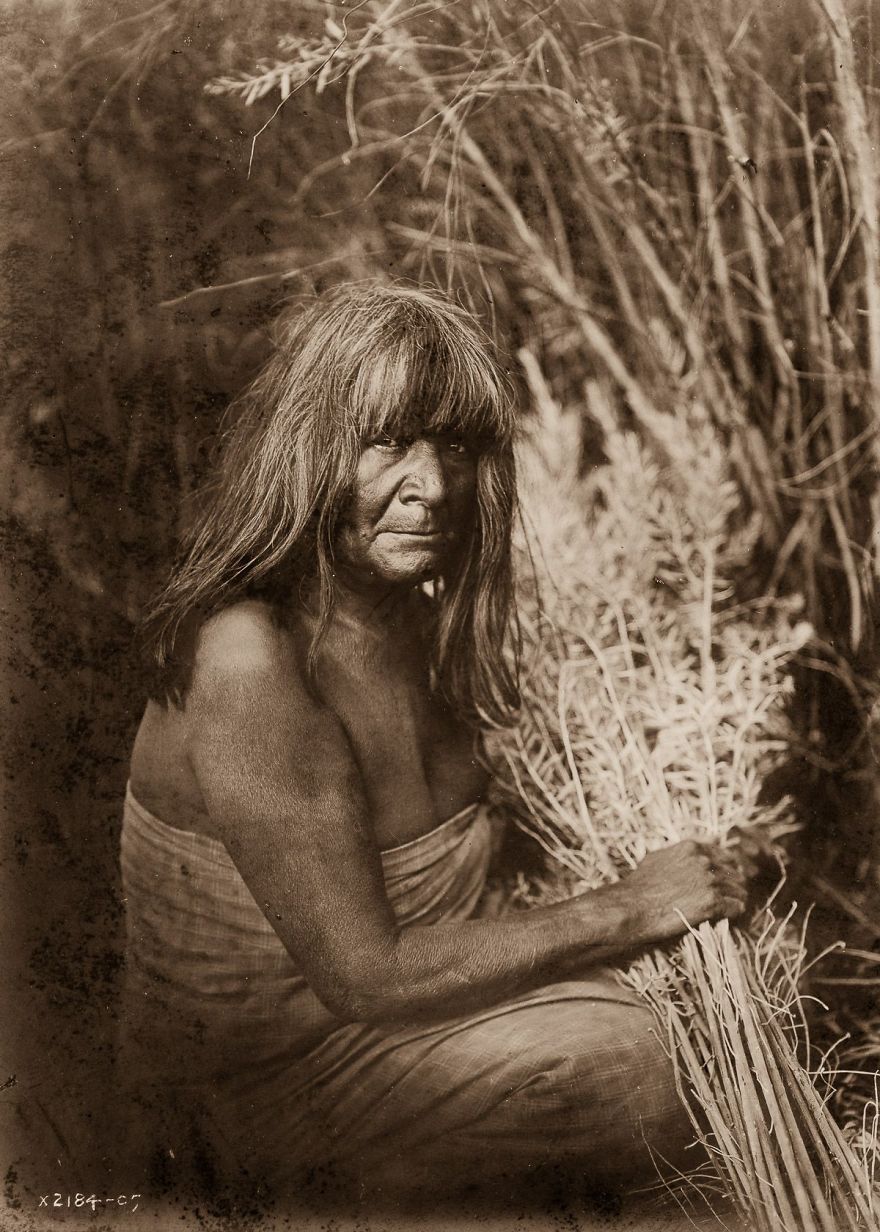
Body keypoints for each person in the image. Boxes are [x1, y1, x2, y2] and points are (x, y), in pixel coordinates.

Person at [119, 282, 750, 1210]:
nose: (435, 484)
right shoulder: (252, 661)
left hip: (397, 1033)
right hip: (255, 1106)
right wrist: (630, 906)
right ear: (309, 451)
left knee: (680, 1025)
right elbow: (366, 976)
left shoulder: (418, 625)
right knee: (639, 1063)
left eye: (457, 445)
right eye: (387, 441)